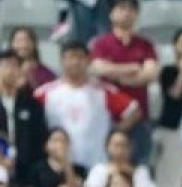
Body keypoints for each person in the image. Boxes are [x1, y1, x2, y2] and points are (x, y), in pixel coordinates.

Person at [37, 41, 140, 173]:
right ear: (62, 61)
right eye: (70, 57)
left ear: (88, 60)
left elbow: (134, 111)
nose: (75, 62)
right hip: (58, 166)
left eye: (80, 57)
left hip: (97, 164)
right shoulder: (45, 93)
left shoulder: (102, 91)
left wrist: (113, 134)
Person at [89, 0, 159, 164]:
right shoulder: (101, 44)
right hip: (108, 117)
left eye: (131, 9)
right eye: (121, 8)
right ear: (111, 13)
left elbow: (150, 74)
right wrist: (133, 68)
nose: (126, 13)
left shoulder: (146, 45)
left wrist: (117, 77)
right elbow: (98, 68)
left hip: (139, 118)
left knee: (141, 168)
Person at [0, 50, 49, 187]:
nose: (10, 70)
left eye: (14, 66)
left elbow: (40, 140)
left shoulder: (32, 104)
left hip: (27, 172)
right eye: (5, 66)